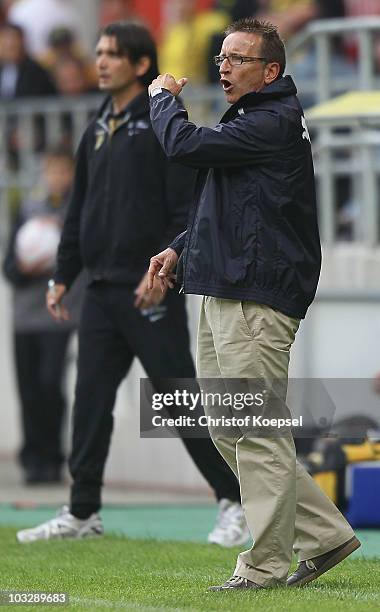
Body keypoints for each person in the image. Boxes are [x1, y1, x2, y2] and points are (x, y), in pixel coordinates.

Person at [147, 17, 360, 590]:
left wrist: (162, 101)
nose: (224, 66)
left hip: (257, 293)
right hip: (224, 285)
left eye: (238, 59)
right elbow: (230, 208)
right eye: (221, 57)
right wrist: (179, 248)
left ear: (271, 70)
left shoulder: (273, 119)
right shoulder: (249, 120)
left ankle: (264, 565)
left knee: (255, 429)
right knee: (227, 427)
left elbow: (181, 145)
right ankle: (324, 536)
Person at [16, 21, 246, 547]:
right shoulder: (99, 121)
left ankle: (233, 501)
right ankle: (82, 512)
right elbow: (81, 207)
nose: (99, 61)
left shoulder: (161, 122)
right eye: (97, 52)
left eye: (111, 54)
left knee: (177, 400)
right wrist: (63, 273)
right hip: (98, 289)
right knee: (90, 400)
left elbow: (187, 208)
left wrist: (166, 270)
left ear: (141, 65)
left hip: (149, 286)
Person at [3, 146, 82, 484]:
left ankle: (52, 456)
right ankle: (32, 458)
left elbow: (81, 256)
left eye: (63, 172)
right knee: (29, 388)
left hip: (59, 314)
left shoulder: (77, 212)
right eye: (52, 171)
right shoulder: (29, 210)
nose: (57, 178)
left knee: (51, 384)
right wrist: (24, 267)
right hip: (24, 315)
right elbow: (9, 266)